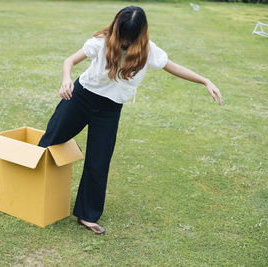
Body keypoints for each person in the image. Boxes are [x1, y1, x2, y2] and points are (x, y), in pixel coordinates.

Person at [37, 5, 222, 234]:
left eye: (128, 38)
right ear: (116, 27)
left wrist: (205, 80)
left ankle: (87, 215)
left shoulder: (148, 51)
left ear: (139, 35)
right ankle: (32, 190)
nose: (123, 42)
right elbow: (70, 61)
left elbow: (172, 67)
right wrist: (66, 80)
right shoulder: (102, 41)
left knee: (99, 161)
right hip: (81, 97)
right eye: (122, 36)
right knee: (52, 137)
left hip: (109, 109)